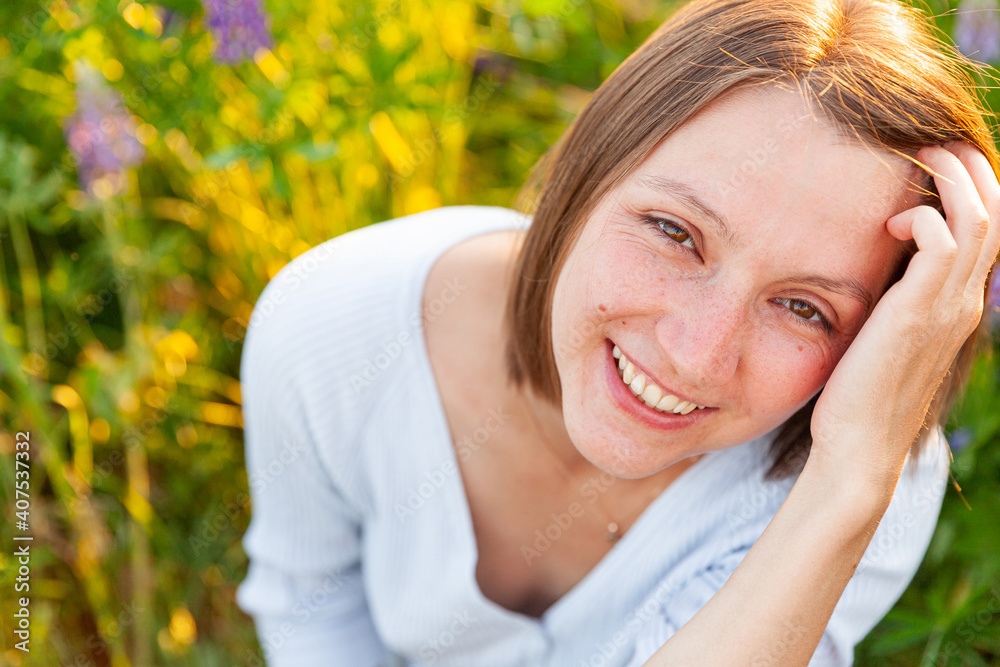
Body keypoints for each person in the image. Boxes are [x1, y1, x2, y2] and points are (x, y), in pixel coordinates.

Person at [234, 0, 1000, 665]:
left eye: (805, 308)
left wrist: (844, 490)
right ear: (590, 167)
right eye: (675, 231)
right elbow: (311, 607)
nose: (696, 354)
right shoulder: (333, 327)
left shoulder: (862, 468)